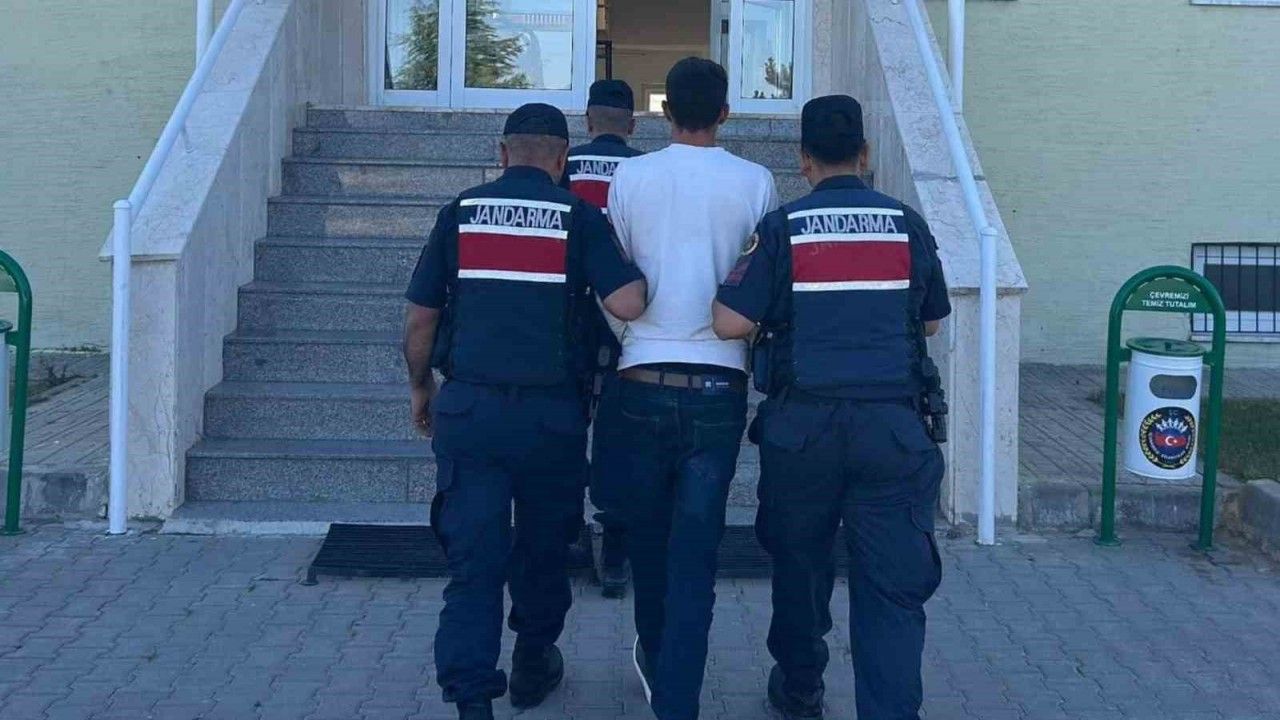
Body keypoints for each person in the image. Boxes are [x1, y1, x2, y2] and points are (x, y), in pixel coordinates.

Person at [403, 103, 647, 720]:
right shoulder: (578, 217)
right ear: (563, 160)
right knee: (543, 551)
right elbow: (626, 302)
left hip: (471, 412)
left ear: (502, 152)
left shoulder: (460, 212)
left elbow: (422, 317)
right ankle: (533, 664)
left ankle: (471, 701)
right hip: (550, 419)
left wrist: (420, 386)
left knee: (473, 561)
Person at [712, 95, 952, 720]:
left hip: (804, 432)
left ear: (804, 159)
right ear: (865, 154)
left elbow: (728, 321)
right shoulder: (906, 223)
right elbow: (930, 322)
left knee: (800, 567)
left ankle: (800, 690)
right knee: (892, 589)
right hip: (892, 431)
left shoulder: (783, 227)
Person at [594, 57, 778, 720]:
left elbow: (613, 282)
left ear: (663, 111)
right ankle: (680, 699)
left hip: (640, 377)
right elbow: (760, 285)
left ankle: (655, 657)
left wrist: (630, 340)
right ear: (725, 112)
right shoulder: (756, 182)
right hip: (719, 386)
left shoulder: (628, 177)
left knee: (648, 543)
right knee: (696, 554)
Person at [562, 79, 645, 599]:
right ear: (632, 124)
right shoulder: (646, 169)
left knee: (567, 425)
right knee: (620, 434)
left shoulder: (564, 166)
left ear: (588, 121)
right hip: (626, 317)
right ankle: (615, 547)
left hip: (568, 318)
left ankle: (569, 529)